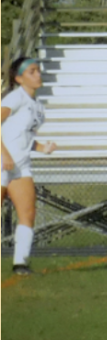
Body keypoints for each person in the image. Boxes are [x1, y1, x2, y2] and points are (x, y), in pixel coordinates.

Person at [1, 57, 57, 275]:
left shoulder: (38, 107)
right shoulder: (15, 98)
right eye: (32, 71)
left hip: (20, 164)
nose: (37, 74)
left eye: (38, 71)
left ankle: (20, 264)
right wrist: (3, 154)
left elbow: (21, 137)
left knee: (27, 213)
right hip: (2, 161)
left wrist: (42, 147)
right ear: (19, 78)